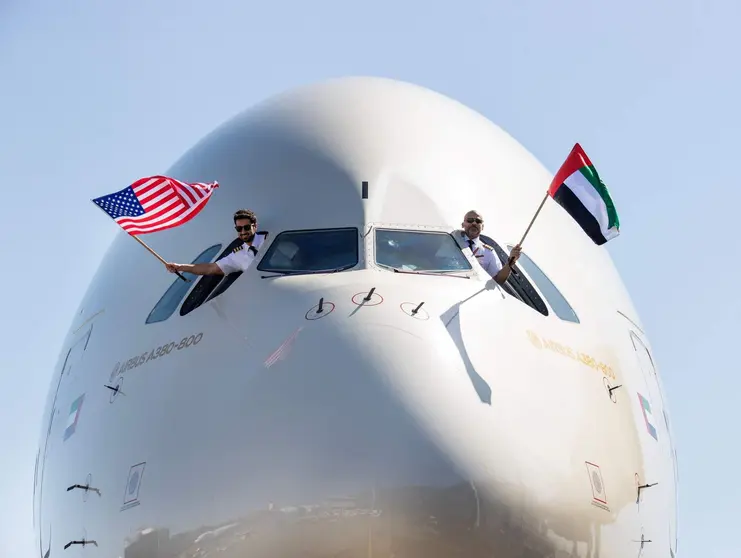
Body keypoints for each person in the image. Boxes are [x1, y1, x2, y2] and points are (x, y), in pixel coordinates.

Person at [165, 209, 266, 276]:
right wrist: (180, 267)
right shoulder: (238, 255)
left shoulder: (267, 240)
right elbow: (210, 268)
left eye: (247, 227)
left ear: (255, 226)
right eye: (239, 229)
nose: (243, 232)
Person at [456, 209, 521, 284]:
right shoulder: (451, 243)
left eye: (478, 221)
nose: (474, 223)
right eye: (470, 220)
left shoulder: (488, 252)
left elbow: (499, 280)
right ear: (462, 224)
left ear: (482, 227)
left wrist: (512, 261)